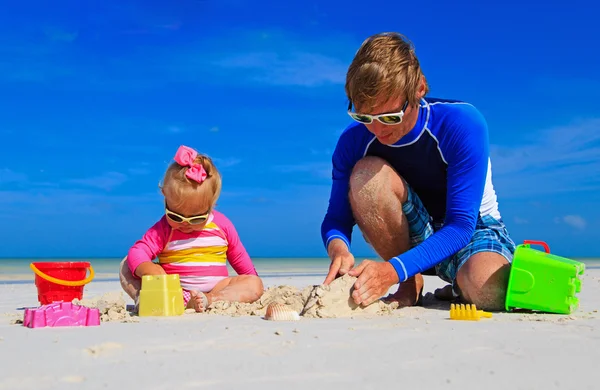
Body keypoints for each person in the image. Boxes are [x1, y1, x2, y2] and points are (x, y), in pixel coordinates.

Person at [320, 32, 515, 311]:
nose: (378, 129)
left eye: (389, 117)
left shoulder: (461, 123)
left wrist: (389, 271)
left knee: (489, 291)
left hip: (472, 227)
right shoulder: (353, 142)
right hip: (411, 233)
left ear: (419, 89)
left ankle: (461, 280)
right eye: (364, 117)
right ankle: (411, 281)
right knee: (365, 174)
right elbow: (336, 218)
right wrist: (338, 248)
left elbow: (461, 226)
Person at [119, 145, 264, 312]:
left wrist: (252, 280)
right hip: (173, 292)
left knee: (254, 284)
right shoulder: (165, 229)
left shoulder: (222, 224)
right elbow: (138, 251)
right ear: (165, 198)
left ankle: (210, 300)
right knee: (126, 265)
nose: (185, 223)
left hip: (216, 289)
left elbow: (238, 256)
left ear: (212, 206)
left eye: (196, 218)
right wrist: (151, 270)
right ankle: (143, 298)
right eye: (175, 216)